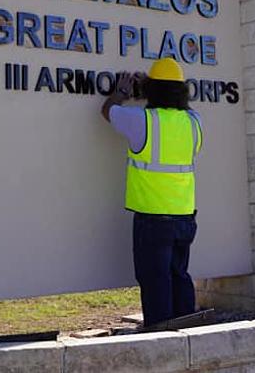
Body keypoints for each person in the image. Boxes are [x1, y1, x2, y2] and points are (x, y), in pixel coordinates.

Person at [101, 57, 203, 327]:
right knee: (179, 275)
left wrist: (122, 92)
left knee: (155, 279)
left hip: (153, 220)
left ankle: (162, 339)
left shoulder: (142, 121)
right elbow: (179, 114)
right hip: (184, 217)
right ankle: (188, 333)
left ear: (150, 91)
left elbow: (108, 111)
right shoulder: (195, 122)